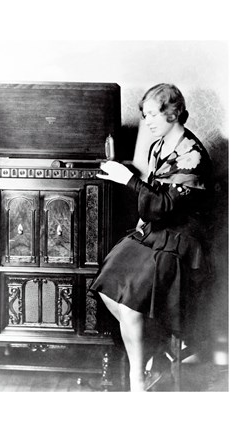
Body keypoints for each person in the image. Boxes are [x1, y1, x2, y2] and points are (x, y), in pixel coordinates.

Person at [91, 83, 212, 392]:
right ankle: (152, 353)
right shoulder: (158, 146)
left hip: (181, 241)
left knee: (130, 307)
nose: (148, 122)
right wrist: (139, 228)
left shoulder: (192, 155)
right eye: (144, 116)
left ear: (172, 112)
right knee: (107, 287)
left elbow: (165, 205)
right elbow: (154, 199)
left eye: (153, 115)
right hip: (155, 230)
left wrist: (128, 179)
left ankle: (138, 380)